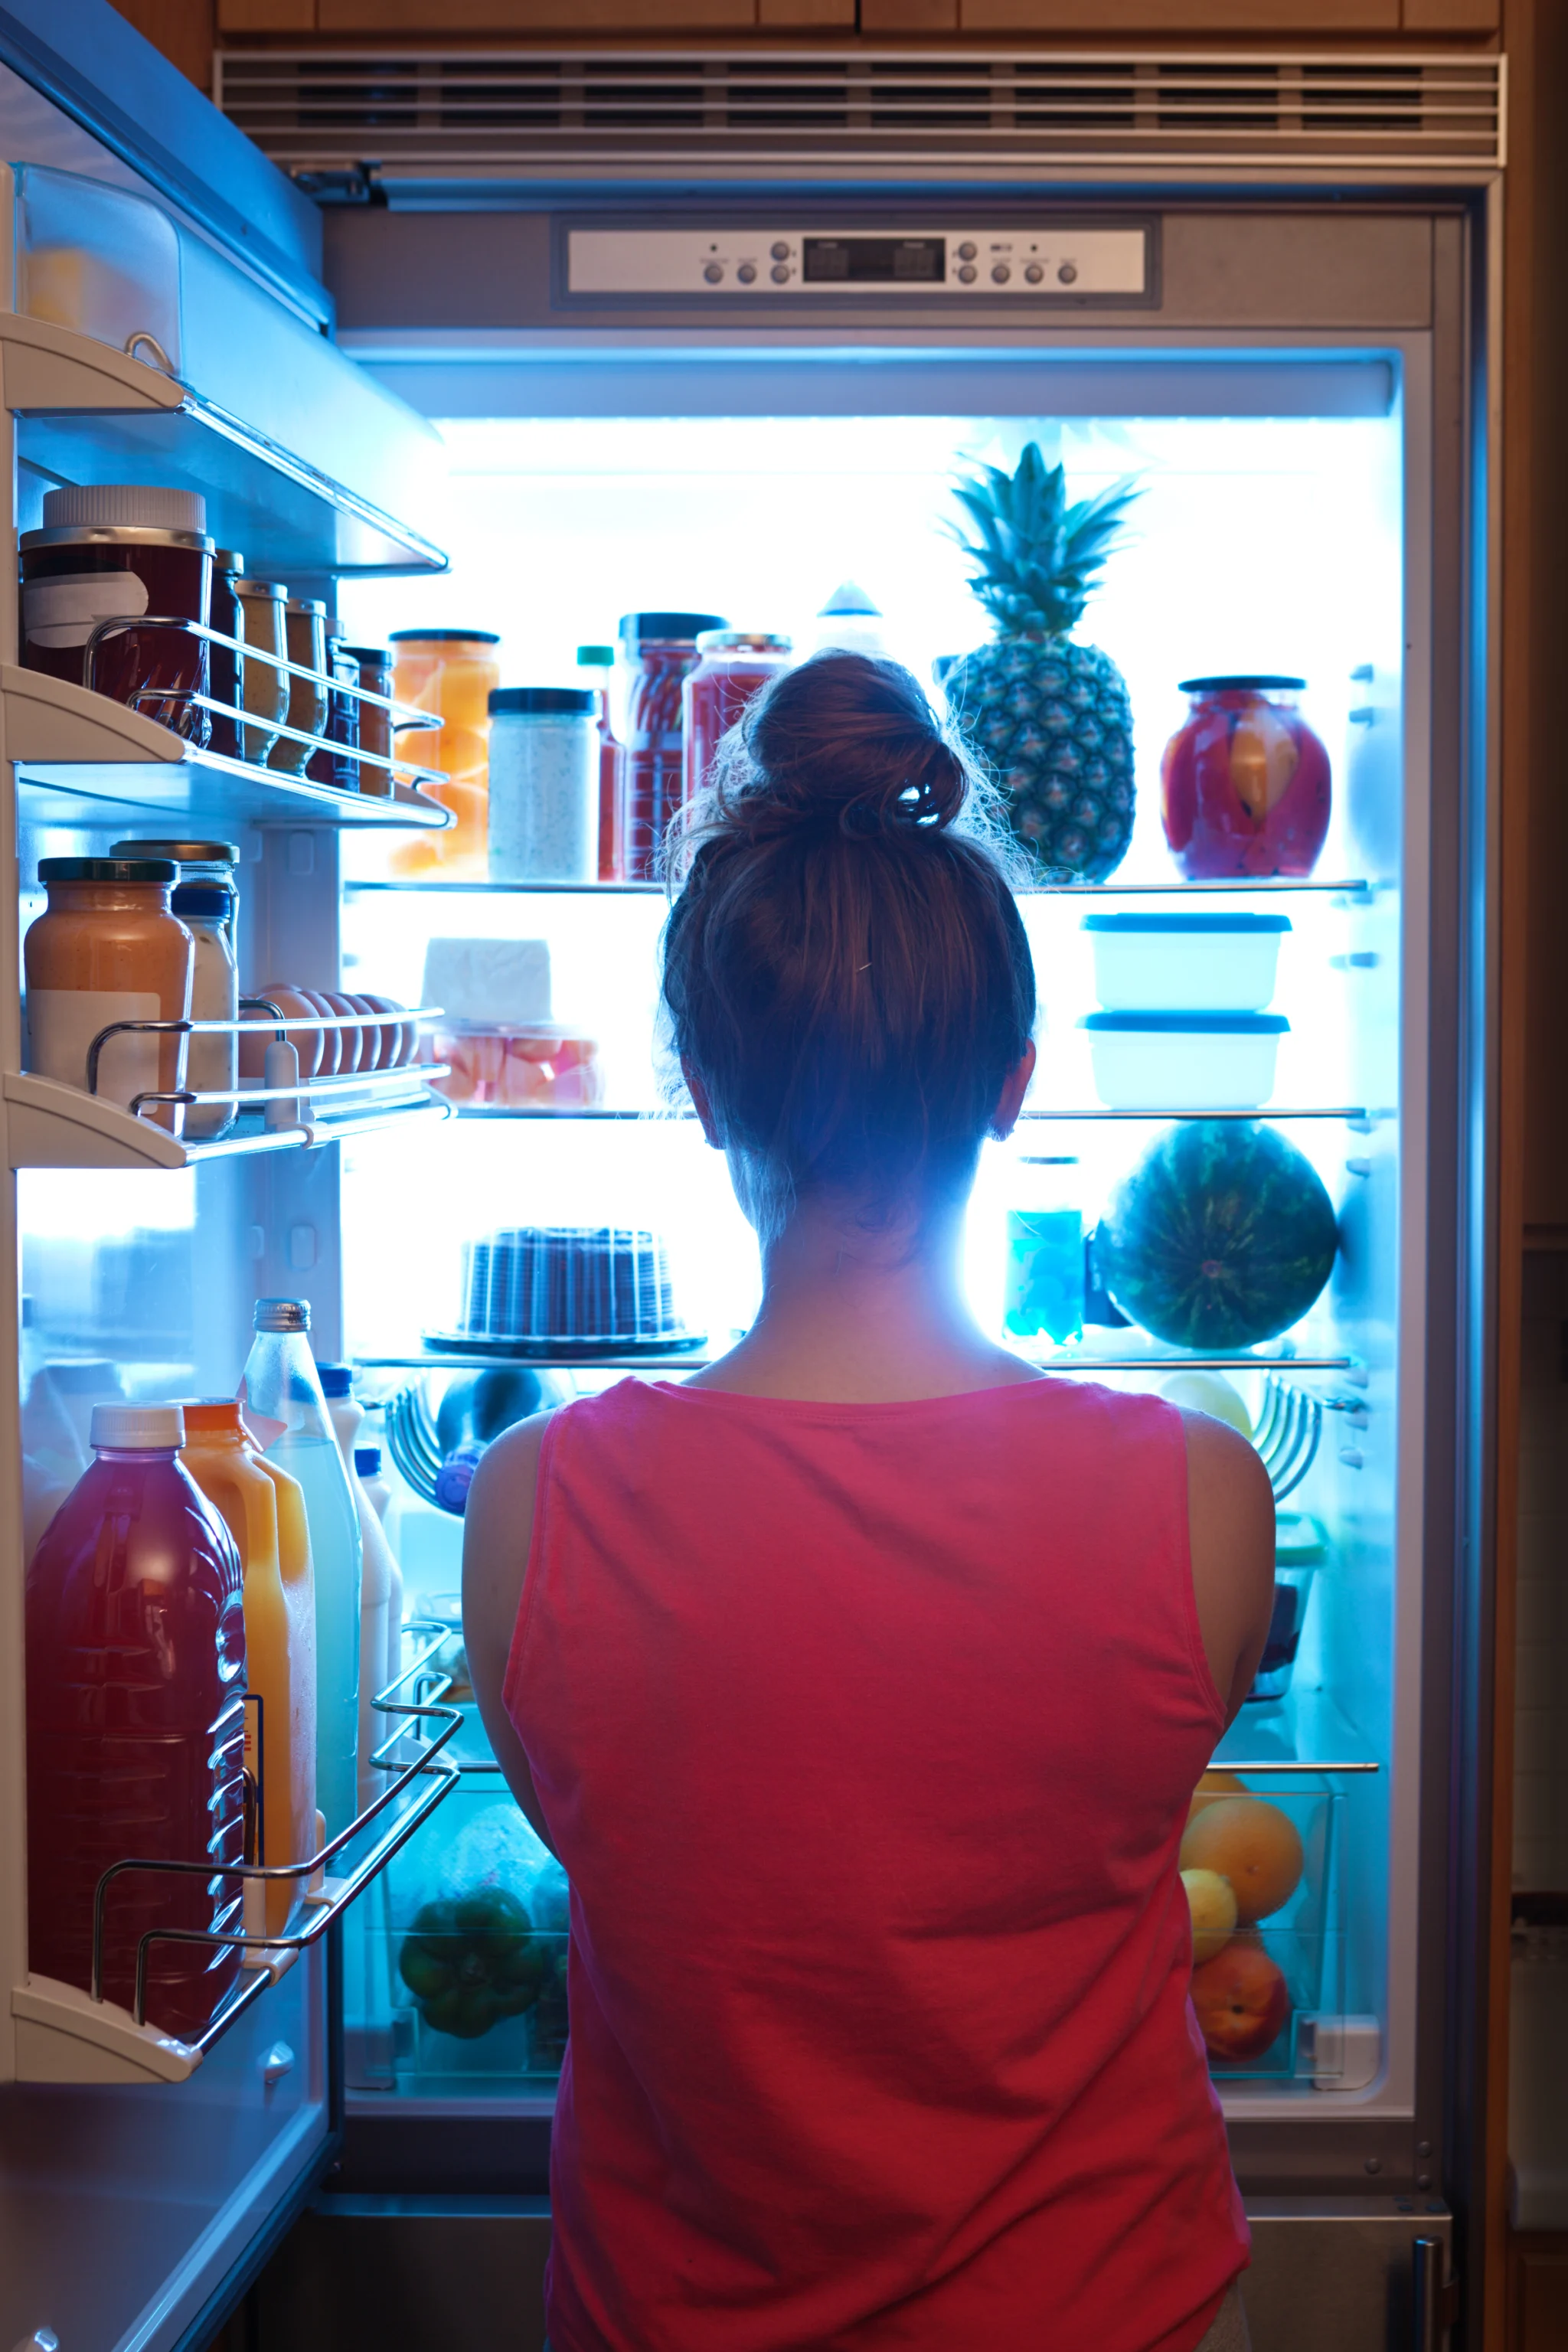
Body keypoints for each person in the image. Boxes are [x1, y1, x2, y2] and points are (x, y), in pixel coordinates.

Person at [464, 652, 1276, 2352]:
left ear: (700, 1090)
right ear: (1010, 1084)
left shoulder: (537, 1506)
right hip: (1101, 2312)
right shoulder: (1193, 1497)